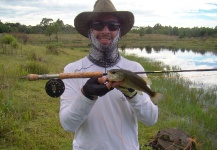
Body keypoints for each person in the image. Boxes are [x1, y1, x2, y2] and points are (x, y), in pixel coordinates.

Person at [59, 0, 158, 149]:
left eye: (113, 26)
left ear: (119, 32)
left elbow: (151, 119)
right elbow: (68, 125)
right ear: (89, 31)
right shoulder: (72, 70)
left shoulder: (134, 67)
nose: (105, 31)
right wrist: (86, 95)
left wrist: (133, 94)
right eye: (98, 25)